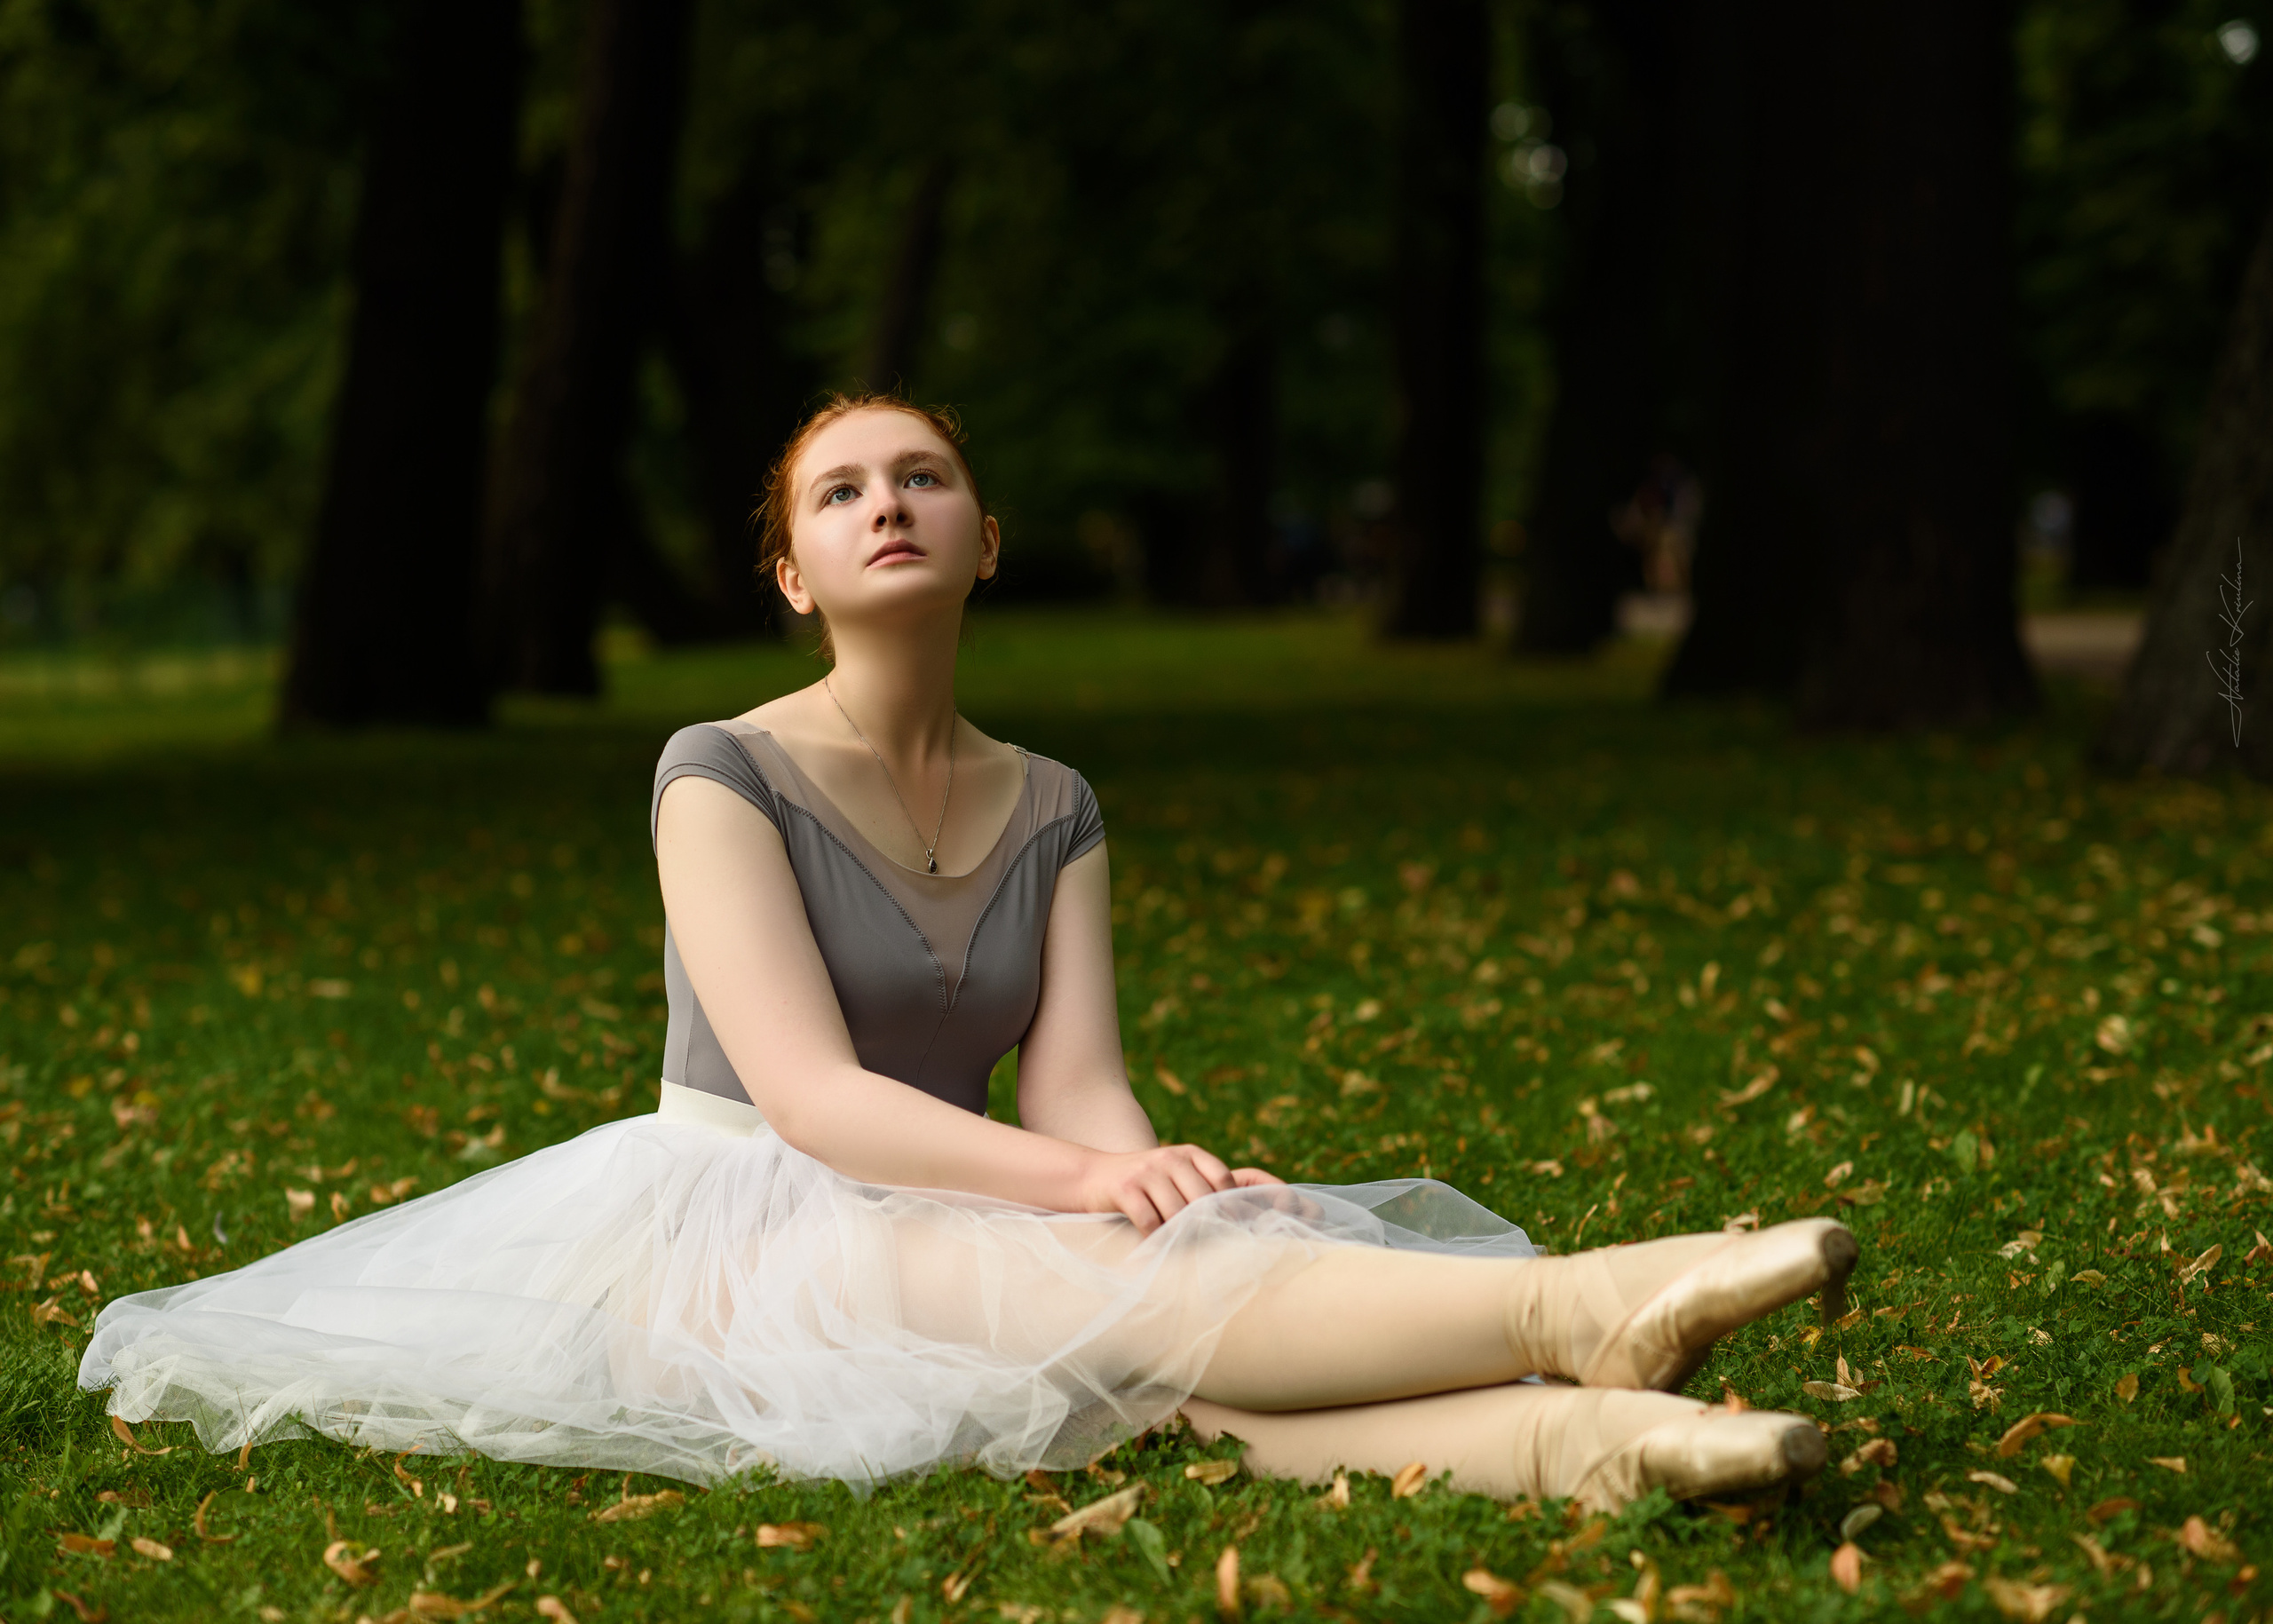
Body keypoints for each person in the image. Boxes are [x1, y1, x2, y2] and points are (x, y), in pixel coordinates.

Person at [80, 394, 1856, 1513]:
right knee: (1130, 1316)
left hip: (967, 1198)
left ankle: (1588, 1449)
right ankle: (1574, 1309)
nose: (886, 504)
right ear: (790, 571)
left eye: (922, 476)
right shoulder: (715, 773)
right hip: (740, 1223)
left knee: (1159, 1366)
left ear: (981, 541)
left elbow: (1076, 1080)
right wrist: (1083, 1182)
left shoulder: (1054, 802)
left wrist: (1145, 1172)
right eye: (839, 490)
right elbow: (810, 1096)